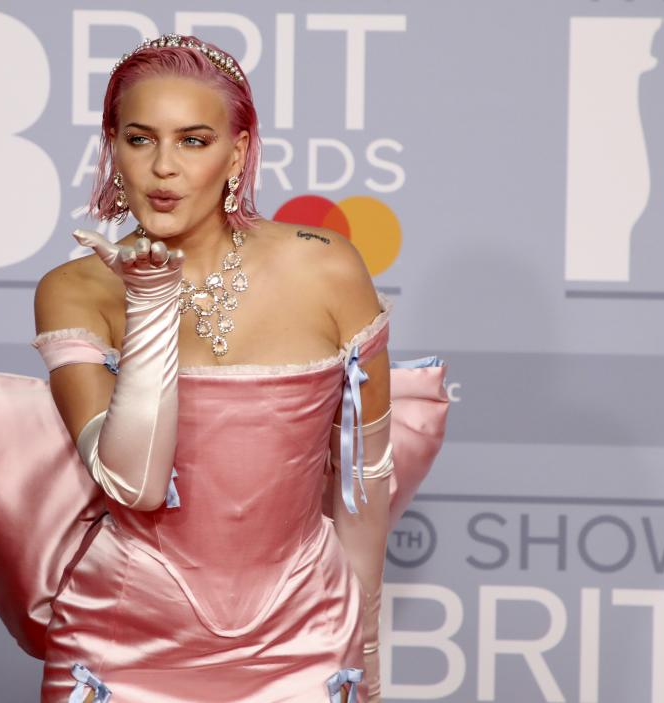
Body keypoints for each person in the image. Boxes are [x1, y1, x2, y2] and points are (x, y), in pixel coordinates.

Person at [31, 33, 394, 703]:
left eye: (193, 140)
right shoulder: (74, 290)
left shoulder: (326, 266)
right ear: (113, 148)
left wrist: (363, 659)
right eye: (140, 140)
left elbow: (364, 486)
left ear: (240, 150)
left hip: (304, 636)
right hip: (122, 641)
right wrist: (148, 301)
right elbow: (136, 485)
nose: (162, 167)